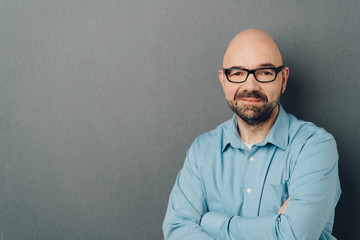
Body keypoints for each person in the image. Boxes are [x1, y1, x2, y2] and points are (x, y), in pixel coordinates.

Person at [162, 29, 341, 239]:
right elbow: (177, 230)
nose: (250, 86)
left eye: (264, 72)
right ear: (223, 80)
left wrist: (210, 222)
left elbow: (291, 235)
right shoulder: (202, 151)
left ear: (283, 79)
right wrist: (274, 226)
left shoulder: (314, 147)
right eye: (237, 73)